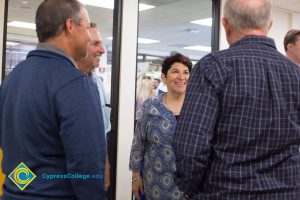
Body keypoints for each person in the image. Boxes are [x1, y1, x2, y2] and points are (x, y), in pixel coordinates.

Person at [173, 0, 300, 199]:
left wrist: (190, 189)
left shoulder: (212, 67)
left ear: (225, 24)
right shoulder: (296, 74)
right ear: (269, 24)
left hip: (226, 192)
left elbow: (191, 147)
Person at [0, 0, 106, 199]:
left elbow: (12, 149)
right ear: (70, 27)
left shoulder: (11, 79)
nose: (88, 36)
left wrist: (28, 187)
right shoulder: (76, 84)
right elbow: (87, 169)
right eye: (86, 27)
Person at [129, 52, 192, 200]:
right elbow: (138, 143)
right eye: (175, 72)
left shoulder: (199, 107)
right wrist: (135, 177)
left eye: (186, 72)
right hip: (155, 185)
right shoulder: (150, 106)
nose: (181, 77)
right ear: (164, 78)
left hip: (191, 187)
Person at [76, 22, 111, 190]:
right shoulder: (58, 83)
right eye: (96, 44)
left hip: (92, 174)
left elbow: (102, 131)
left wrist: (105, 165)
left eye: (101, 44)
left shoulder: (97, 83)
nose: (102, 50)